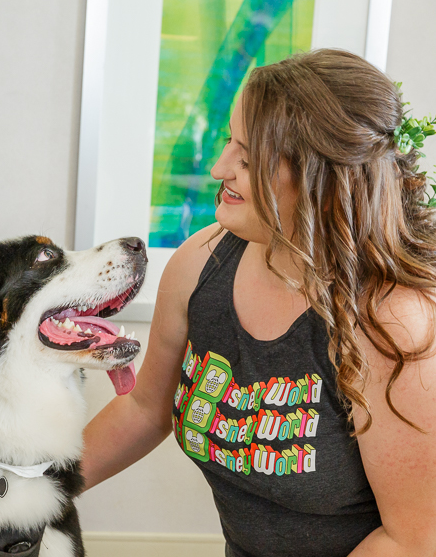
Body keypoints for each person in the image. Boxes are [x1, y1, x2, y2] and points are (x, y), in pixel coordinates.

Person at [82, 49, 436, 556]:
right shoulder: (201, 262)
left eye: (248, 159)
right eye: (230, 141)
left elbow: (412, 541)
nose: (217, 168)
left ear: (324, 182)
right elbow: (143, 410)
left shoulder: (392, 323)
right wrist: (23, 493)